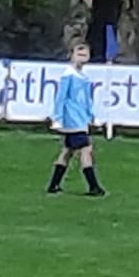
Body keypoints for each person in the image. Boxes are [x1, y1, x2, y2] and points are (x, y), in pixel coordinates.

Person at [46, 44, 105, 198]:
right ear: (72, 55)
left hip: (80, 120)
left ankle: (53, 185)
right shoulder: (68, 75)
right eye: (79, 54)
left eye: (85, 54)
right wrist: (57, 118)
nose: (82, 57)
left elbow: (86, 101)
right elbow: (61, 98)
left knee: (68, 151)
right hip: (72, 120)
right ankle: (93, 186)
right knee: (86, 149)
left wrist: (91, 116)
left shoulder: (83, 77)